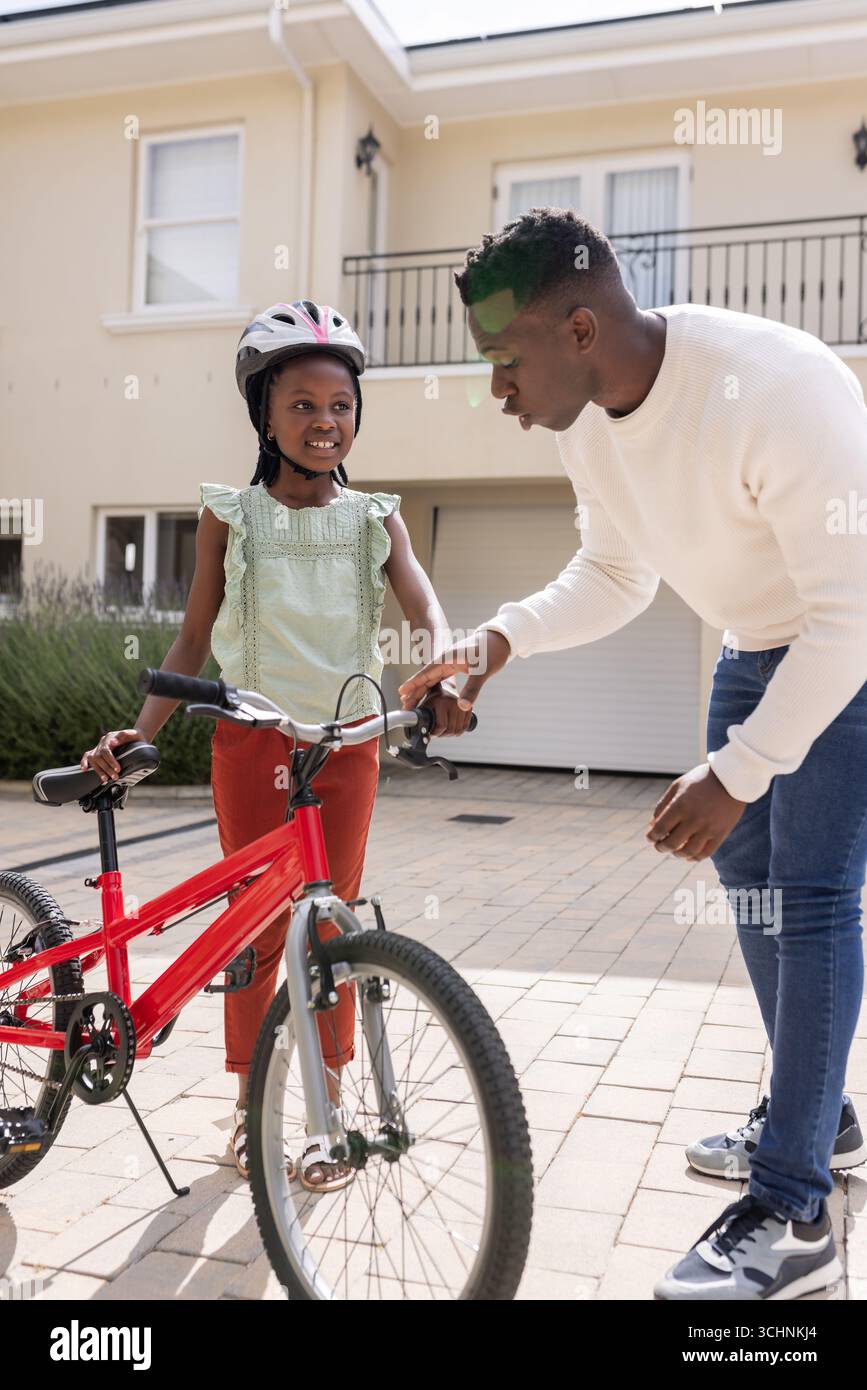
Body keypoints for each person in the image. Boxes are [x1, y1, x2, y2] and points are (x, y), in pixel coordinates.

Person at [398, 208, 867, 1300]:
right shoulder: (586, 423)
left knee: (812, 896)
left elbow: (852, 619)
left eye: (503, 361)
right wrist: (496, 638)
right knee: (748, 886)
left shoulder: (777, 387)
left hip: (847, 651)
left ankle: (795, 1205)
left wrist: (740, 768)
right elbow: (616, 573)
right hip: (754, 648)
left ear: (575, 331)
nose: (496, 391)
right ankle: (822, 1111)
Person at [80, 300, 472, 1191]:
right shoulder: (233, 516)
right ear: (265, 414)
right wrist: (139, 737)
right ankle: (251, 1109)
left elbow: (423, 605)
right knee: (254, 932)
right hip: (250, 742)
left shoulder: (378, 517)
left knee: (331, 926)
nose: (324, 421)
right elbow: (189, 642)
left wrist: (440, 674)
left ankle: (326, 1107)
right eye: (302, 405)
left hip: (347, 745)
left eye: (340, 405)